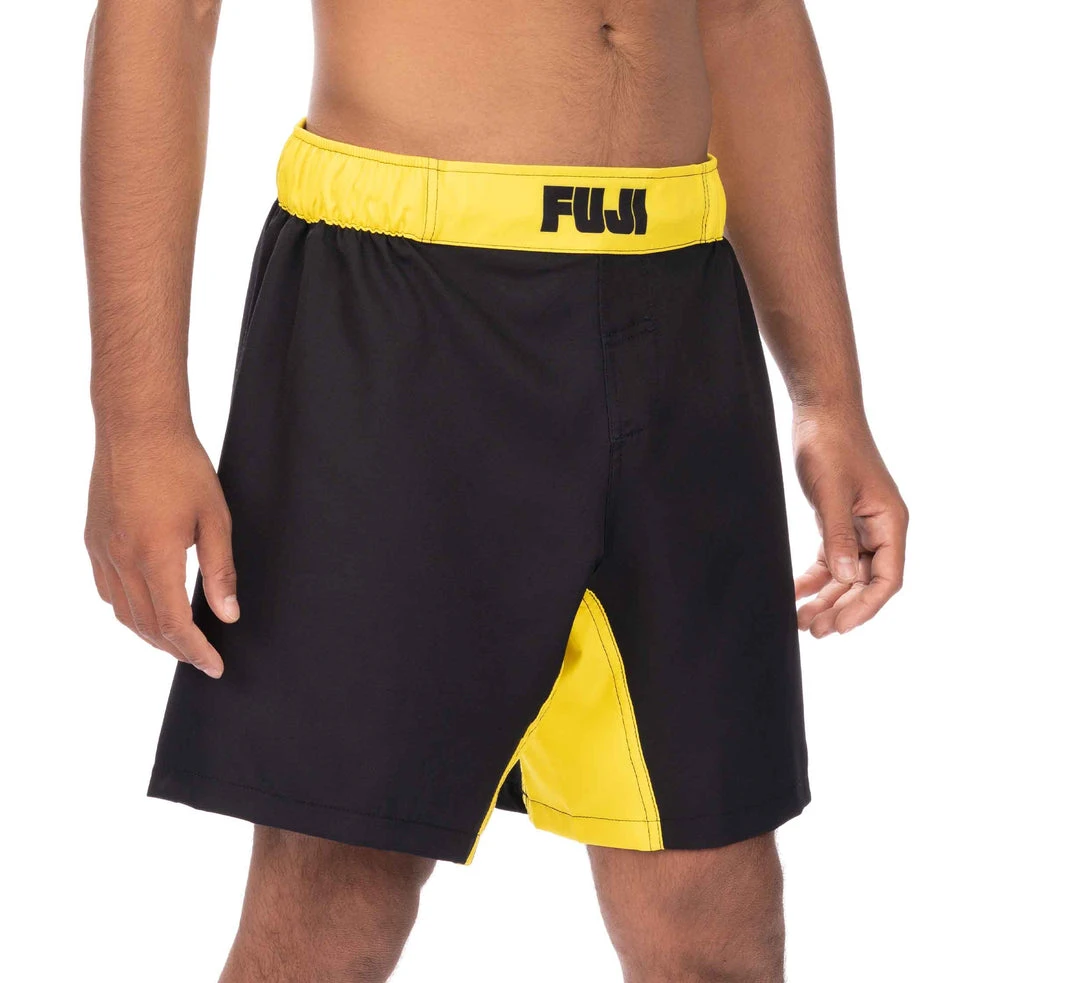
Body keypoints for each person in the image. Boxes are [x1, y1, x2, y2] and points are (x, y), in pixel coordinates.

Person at [81, 0, 908, 979]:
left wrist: (828, 396)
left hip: (679, 301)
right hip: (404, 306)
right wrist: (138, 421)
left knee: (712, 914)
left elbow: (747, 15)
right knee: (337, 897)